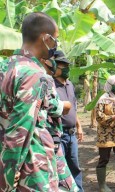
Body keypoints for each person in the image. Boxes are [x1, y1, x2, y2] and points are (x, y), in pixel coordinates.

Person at [0, 12, 73, 191]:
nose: (56, 44)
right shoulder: (34, 74)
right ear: (45, 38)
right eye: (55, 39)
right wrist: (6, 182)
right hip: (32, 168)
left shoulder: (5, 66)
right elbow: (20, 132)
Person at [53, 50, 84, 191]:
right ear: (55, 67)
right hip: (58, 134)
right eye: (63, 66)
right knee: (59, 169)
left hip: (71, 135)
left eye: (67, 65)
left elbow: (74, 108)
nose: (67, 68)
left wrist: (79, 126)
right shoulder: (51, 85)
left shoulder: (70, 85)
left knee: (75, 166)